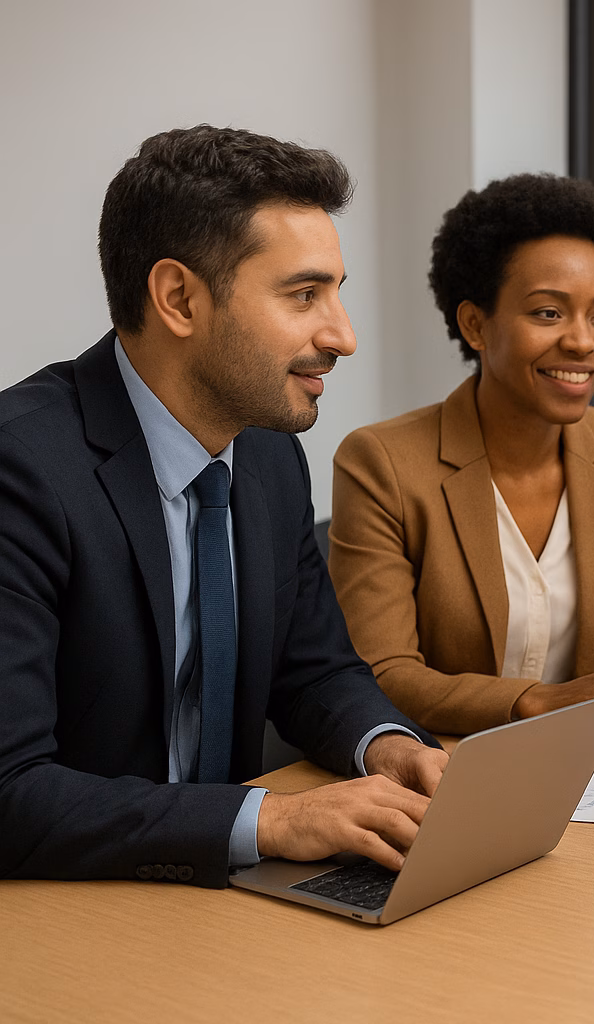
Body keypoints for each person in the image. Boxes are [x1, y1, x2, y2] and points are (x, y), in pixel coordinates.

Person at [0, 126, 448, 886]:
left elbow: (315, 672)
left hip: (224, 901)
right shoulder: (22, 470)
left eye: (338, 292)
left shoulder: (269, 454)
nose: (343, 335)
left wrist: (388, 745)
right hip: (68, 915)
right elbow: (10, 791)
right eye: (304, 294)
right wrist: (274, 819)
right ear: (179, 298)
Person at [329, 173, 594, 752]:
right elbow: (382, 671)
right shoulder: (382, 463)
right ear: (475, 324)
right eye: (549, 313)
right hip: (443, 767)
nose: (584, 342)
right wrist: (535, 704)